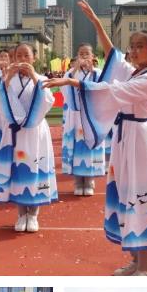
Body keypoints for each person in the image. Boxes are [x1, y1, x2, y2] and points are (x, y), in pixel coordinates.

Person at [43, 0, 147, 276]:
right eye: (132, 46)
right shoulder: (135, 72)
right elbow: (113, 57)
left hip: (139, 139)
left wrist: (73, 82)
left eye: (139, 47)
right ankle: (136, 259)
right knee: (125, 195)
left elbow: (110, 91)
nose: (133, 51)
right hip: (125, 137)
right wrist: (97, 23)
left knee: (140, 197)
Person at [0, 43, 57, 233]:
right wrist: (7, 79)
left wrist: (34, 77)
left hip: (36, 131)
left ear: (34, 58)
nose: (22, 59)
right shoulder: (7, 80)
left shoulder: (42, 79)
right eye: (18, 56)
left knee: (35, 168)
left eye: (26, 56)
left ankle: (33, 214)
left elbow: (48, 101)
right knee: (18, 171)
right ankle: (21, 214)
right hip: (16, 133)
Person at [61, 44, 106, 196]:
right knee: (76, 147)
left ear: (93, 57)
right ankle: (77, 181)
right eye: (81, 54)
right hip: (75, 116)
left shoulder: (98, 73)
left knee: (90, 147)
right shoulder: (70, 74)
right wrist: (74, 70)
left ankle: (90, 181)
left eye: (87, 53)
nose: (84, 56)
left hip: (92, 116)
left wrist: (92, 70)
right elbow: (64, 91)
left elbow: (103, 89)